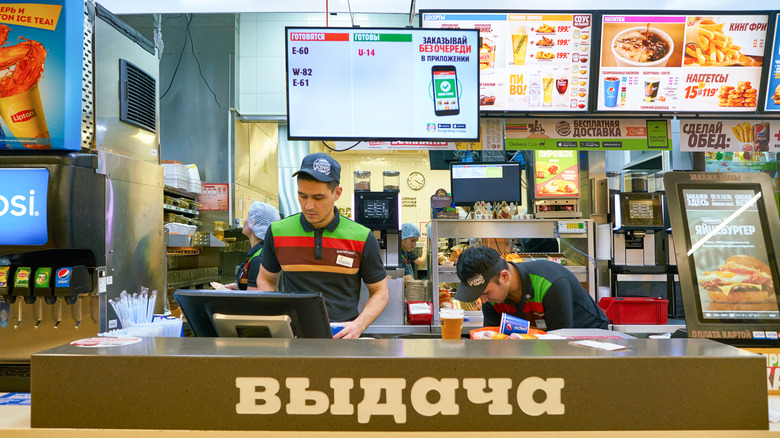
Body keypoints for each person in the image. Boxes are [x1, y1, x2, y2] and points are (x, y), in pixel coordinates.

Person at [257, 152, 389, 339]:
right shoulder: (278, 231)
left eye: (318, 198)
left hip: (343, 338)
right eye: (302, 196)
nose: (309, 205)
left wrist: (359, 325)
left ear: (337, 193)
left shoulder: (362, 237)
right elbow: (266, 279)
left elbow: (380, 291)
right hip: (293, 337)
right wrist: (276, 317)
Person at [454, 245, 609, 331]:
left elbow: (560, 347)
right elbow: (494, 342)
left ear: (504, 277)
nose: (483, 300)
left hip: (588, 340)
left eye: (485, 292)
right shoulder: (492, 300)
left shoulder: (550, 284)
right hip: (544, 344)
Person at [216, 202, 280, 291]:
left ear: (253, 223)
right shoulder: (261, 252)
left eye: (248, 217)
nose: (245, 220)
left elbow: (253, 300)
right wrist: (240, 287)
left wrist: (227, 293)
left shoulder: (259, 259)